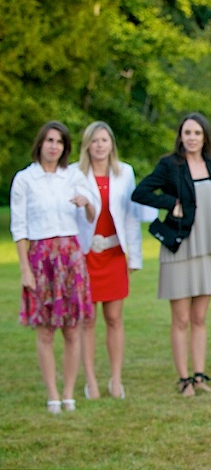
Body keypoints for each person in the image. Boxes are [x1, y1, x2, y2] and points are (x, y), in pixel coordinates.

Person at [132, 112, 211, 397]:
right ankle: (183, 379)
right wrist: (170, 202)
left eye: (197, 133)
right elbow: (141, 192)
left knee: (199, 318)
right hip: (180, 249)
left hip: (207, 248)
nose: (192, 138)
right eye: (187, 133)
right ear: (180, 136)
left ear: (204, 137)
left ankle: (199, 375)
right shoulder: (170, 165)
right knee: (181, 319)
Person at [10, 121, 98, 413]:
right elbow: (19, 227)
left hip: (70, 257)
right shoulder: (25, 179)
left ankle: (70, 392)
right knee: (45, 330)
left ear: (65, 147)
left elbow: (91, 214)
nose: (53, 146)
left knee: (72, 328)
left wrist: (85, 202)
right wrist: (25, 269)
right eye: (49, 140)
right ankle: (52, 394)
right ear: (40, 144)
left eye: (59, 141)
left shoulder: (72, 175)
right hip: (41, 257)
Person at [77, 121, 143, 400]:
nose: (100, 145)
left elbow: (131, 215)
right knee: (88, 320)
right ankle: (90, 380)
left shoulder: (124, 172)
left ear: (111, 144)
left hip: (115, 253)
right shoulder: (74, 174)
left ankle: (116, 379)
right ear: (87, 145)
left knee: (114, 318)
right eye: (95, 141)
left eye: (105, 140)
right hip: (86, 254)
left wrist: (134, 256)